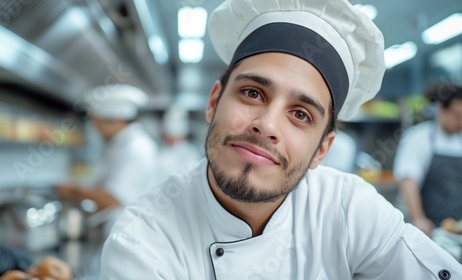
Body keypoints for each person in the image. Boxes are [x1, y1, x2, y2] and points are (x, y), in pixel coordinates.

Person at [101, 0, 462, 278]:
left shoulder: (348, 208)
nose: (267, 125)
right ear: (214, 101)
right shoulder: (141, 242)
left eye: (301, 114)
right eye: (253, 93)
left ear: (323, 150)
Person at [55, 84, 159, 235]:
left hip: (128, 233)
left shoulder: (135, 149)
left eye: (97, 122)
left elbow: (114, 199)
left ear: (116, 120)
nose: (95, 129)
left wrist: (74, 189)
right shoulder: (121, 145)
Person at [393, 83, 462, 236]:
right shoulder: (418, 138)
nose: (460, 122)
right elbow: (409, 181)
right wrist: (419, 219)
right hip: (429, 229)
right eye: (457, 116)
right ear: (441, 110)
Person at [157, 104, 202, 181]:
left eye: (174, 138)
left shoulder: (191, 153)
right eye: (169, 138)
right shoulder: (161, 152)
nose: (172, 141)